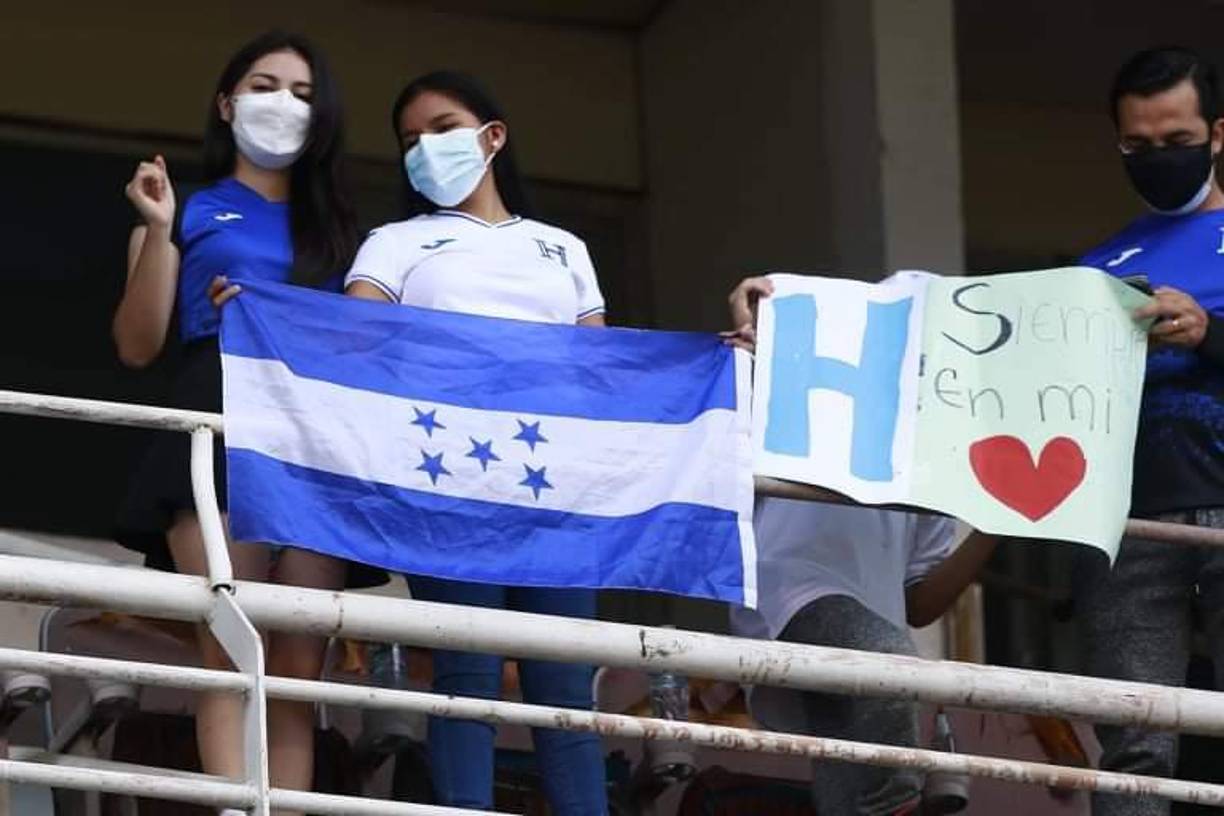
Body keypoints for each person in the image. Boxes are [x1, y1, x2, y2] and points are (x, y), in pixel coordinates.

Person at [112, 31, 376, 809]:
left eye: (302, 92)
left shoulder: (346, 234)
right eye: (265, 85)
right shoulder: (184, 209)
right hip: (218, 417)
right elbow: (137, 344)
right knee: (232, 650)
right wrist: (158, 233)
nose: (283, 104)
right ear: (228, 103)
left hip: (318, 438)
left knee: (299, 672)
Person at [344, 71, 608, 814]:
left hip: (553, 487)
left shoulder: (564, 249)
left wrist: (712, 360)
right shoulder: (394, 244)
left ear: (492, 136)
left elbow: (603, 370)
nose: (426, 148)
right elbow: (350, 342)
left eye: (443, 127)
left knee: (564, 688)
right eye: (410, 140)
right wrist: (258, 309)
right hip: (450, 483)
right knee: (468, 676)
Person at [725, 277, 998, 816]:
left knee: (848, 777)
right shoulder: (818, 386)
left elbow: (919, 602)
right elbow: (732, 397)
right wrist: (758, 341)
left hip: (872, 620)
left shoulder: (935, 454)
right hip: (789, 594)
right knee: (891, 670)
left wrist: (998, 527)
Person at [1076, 46, 1224, 816]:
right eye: (1137, 147)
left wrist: (1209, 332)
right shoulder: (1096, 265)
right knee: (1134, 745)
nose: (1157, 159)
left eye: (1177, 143)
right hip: (1128, 525)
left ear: (1219, 134)